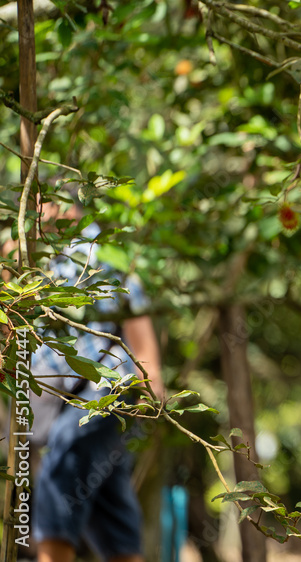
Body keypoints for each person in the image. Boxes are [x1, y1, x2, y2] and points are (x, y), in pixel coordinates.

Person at [27, 197, 163, 562]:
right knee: (106, 497)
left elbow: (136, 318)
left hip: (106, 389)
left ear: (68, 208)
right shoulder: (34, 257)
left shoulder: (95, 251)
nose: (39, 214)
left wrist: (153, 383)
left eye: (45, 205)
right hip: (68, 398)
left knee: (64, 458)